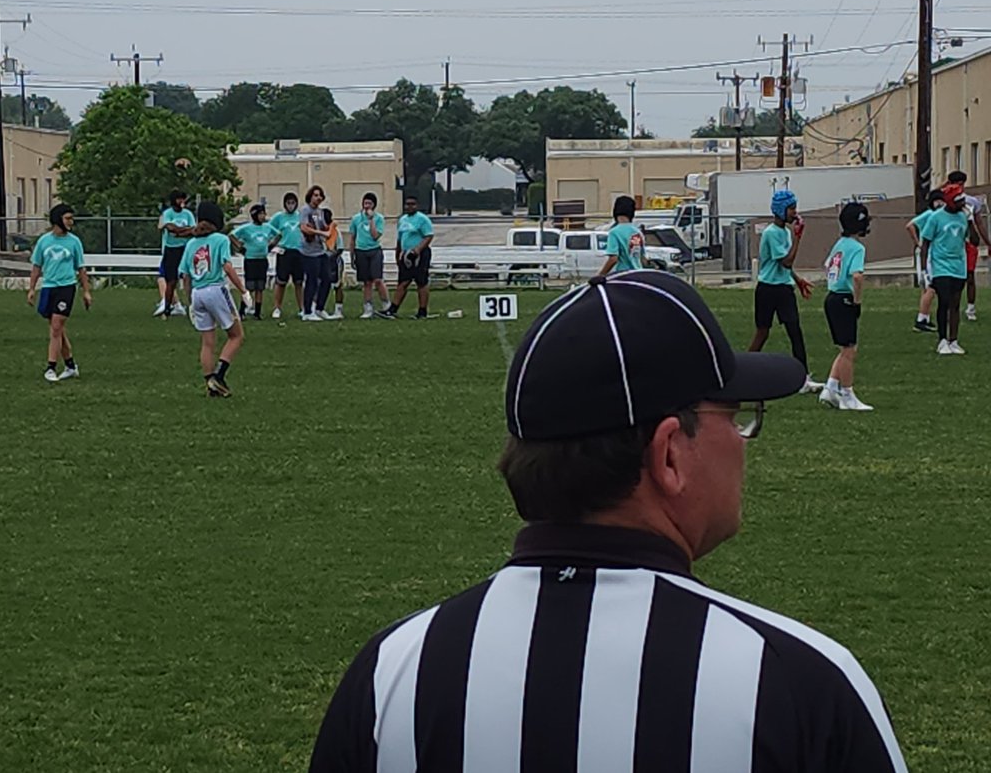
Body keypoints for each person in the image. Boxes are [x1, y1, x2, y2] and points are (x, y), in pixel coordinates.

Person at [310, 270, 907, 773]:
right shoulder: (798, 682)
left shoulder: (394, 673)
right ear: (669, 453)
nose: (745, 440)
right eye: (736, 416)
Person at [748, 189, 821, 393]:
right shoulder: (771, 233)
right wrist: (798, 238)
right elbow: (786, 261)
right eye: (791, 208)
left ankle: (803, 378)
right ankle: (743, 370)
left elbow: (785, 268)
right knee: (762, 332)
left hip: (783, 288)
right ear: (780, 210)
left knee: (795, 331)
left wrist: (797, 281)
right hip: (768, 289)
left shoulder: (785, 232)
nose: (794, 213)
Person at [179, 201, 251, 397]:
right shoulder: (220, 240)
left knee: (207, 342)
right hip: (216, 289)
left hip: (197, 293)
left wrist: (190, 302)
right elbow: (227, 267)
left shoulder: (191, 244)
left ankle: (209, 384)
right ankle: (218, 377)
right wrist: (243, 290)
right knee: (236, 335)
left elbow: (185, 276)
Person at [27, 204, 92, 383]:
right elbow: (36, 266)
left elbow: (81, 268)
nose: (71, 222)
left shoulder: (74, 242)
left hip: (67, 287)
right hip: (49, 287)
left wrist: (86, 291)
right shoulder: (44, 241)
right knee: (58, 330)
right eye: (68, 218)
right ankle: (70, 366)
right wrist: (32, 288)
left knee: (56, 326)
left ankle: (50, 367)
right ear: (58, 220)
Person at [820, 203, 873, 411]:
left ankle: (831, 386)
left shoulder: (839, 243)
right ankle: (847, 394)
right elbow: (857, 276)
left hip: (831, 297)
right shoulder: (858, 247)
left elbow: (827, 265)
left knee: (845, 348)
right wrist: (857, 301)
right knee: (849, 350)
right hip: (843, 298)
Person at [921, 183, 970, 355]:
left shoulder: (963, 217)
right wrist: (924, 270)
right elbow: (925, 243)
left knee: (955, 303)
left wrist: (971, 219)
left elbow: (970, 239)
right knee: (944, 301)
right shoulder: (936, 218)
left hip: (959, 265)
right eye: (958, 200)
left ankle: (954, 340)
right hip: (941, 265)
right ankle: (942, 340)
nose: (962, 203)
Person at [380, 195, 434, 319]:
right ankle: (392, 309)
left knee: (422, 282)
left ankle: (422, 311)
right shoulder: (403, 220)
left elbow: (429, 236)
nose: (409, 207)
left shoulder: (422, 219)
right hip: (405, 255)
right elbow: (400, 239)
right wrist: (397, 254)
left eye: (412, 204)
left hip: (419, 254)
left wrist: (418, 250)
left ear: (417, 206)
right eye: (407, 204)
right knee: (403, 282)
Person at [946, 171, 989, 322]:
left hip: (969, 242)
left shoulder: (971, 202)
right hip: (953, 242)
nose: (959, 186)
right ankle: (950, 305)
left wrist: (988, 242)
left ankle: (971, 307)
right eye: (955, 183)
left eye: (961, 183)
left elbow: (979, 223)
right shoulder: (946, 201)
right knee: (952, 277)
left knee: (970, 275)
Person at [231, 203, 280, 321]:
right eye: (261, 214)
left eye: (264, 214)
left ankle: (257, 312)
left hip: (262, 260)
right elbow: (232, 235)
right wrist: (240, 248)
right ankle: (242, 309)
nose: (263, 216)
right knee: (250, 287)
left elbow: (278, 234)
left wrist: (271, 246)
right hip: (250, 260)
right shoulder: (247, 228)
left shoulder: (267, 227)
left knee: (260, 287)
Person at [906, 188, 944, 333]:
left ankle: (925, 317)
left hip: (931, 253)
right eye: (937, 200)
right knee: (931, 287)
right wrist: (918, 242)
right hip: (925, 254)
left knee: (926, 288)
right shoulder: (929, 214)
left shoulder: (938, 215)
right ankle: (921, 319)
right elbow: (910, 225)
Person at [348, 192, 391, 319]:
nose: (367, 206)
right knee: (366, 282)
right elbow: (352, 238)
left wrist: (371, 219)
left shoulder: (379, 218)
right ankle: (368, 307)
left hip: (374, 250)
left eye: (370, 204)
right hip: (360, 251)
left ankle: (386, 305)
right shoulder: (356, 219)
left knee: (377, 279)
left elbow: (375, 235)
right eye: (365, 203)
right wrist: (352, 256)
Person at [299, 185, 338, 322]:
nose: (318, 198)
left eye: (320, 195)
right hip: (309, 252)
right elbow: (304, 228)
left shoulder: (320, 212)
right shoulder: (305, 210)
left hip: (320, 250)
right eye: (315, 195)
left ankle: (319, 308)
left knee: (327, 279)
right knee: (312, 281)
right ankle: (307, 311)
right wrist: (321, 233)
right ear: (310, 196)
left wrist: (330, 228)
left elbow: (322, 227)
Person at [156, 190, 195, 318]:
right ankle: (167, 307)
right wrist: (181, 231)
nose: (182, 202)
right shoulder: (167, 213)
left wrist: (180, 233)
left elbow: (193, 230)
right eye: (179, 199)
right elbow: (170, 228)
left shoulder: (188, 214)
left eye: (183, 199)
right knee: (171, 281)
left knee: (188, 278)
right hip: (171, 249)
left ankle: (193, 307)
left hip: (185, 249)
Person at [270, 192, 305, 320]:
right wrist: (273, 244)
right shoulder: (279, 217)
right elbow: (270, 230)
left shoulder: (300, 216)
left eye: (293, 203)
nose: (291, 205)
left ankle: (302, 308)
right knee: (281, 282)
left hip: (298, 252)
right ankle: (277, 307)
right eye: (288, 203)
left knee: (299, 282)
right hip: (284, 252)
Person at [598, 195, 647, 276]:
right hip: (638, 274)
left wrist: (600, 274)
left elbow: (613, 259)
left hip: (623, 275)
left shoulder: (614, 232)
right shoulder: (638, 232)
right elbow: (643, 259)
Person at [323, 208, 346, 317]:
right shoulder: (318, 230)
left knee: (337, 285)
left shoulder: (335, 231)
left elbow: (340, 248)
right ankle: (317, 308)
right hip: (321, 261)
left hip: (334, 261)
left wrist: (331, 257)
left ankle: (338, 310)